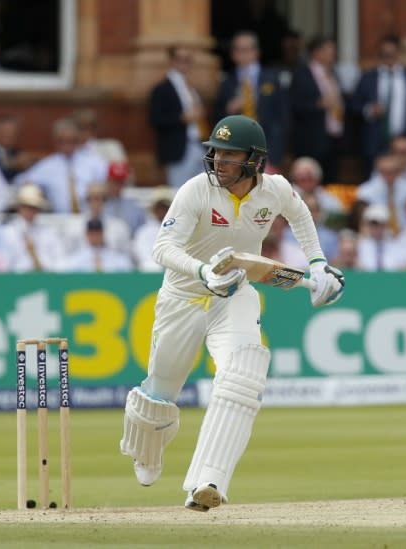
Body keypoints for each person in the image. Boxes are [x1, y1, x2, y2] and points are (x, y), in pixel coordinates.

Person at [119, 115, 344, 512]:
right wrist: (203, 271)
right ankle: (147, 447)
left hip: (235, 294)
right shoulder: (196, 191)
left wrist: (318, 262)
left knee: (243, 375)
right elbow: (162, 248)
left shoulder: (274, 190)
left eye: (229, 154)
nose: (218, 160)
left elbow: (300, 214)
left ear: (255, 160)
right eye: (215, 152)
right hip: (184, 297)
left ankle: (207, 482)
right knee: (159, 396)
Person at [352, 34, 406, 175]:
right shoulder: (368, 77)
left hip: (404, 142)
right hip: (376, 143)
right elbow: (353, 106)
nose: (388, 58)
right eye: (384, 54)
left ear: (399, 53)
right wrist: (369, 110)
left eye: (391, 54)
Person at [213, 31, 287, 172]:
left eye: (247, 49)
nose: (243, 54)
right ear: (233, 54)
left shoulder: (271, 78)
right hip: (237, 150)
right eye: (239, 50)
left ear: (256, 52)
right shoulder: (227, 82)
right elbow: (217, 119)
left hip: (266, 148)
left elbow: (282, 118)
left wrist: (275, 155)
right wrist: (229, 109)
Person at [13, 118, 108, 213]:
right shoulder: (48, 165)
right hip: (61, 220)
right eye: (62, 141)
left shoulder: (94, 162)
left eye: (72, 141)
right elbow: (20, 181)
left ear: (78, 140)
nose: (67, 146)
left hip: (91, 217)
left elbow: (110, 182)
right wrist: (33, 189)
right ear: (56, 142)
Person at [148, 45, 208, 188]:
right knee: (180, 194)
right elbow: (155, 119)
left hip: (198, 145)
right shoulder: (162, 88)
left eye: (187, 59)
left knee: (204, 192)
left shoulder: (191, 88)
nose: (184, 63)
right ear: (172, 61)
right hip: (178, 150)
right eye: (180, 59)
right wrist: (181, 118)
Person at [290, 36, 345, 183]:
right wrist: (317, 105)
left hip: (334, 136)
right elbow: (295, 105)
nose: (333, 53)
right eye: (329, 50)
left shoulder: (333, 73)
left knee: (331, 178)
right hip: (312, 139)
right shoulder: (302, 74)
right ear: (316, 53)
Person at [62, 218, 134, 273]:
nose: (95, 236)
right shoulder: (77, 258)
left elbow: (126, 268)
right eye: (92, 233)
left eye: (97, 233)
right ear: (87, 234)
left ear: (102, 233)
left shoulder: (115, 257)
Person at [103, 161, 146, 236]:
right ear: (108, 180)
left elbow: (142, 233)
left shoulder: (134, 207)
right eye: (114, 181)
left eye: (120, 182)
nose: (117, 186)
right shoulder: (98, 203)